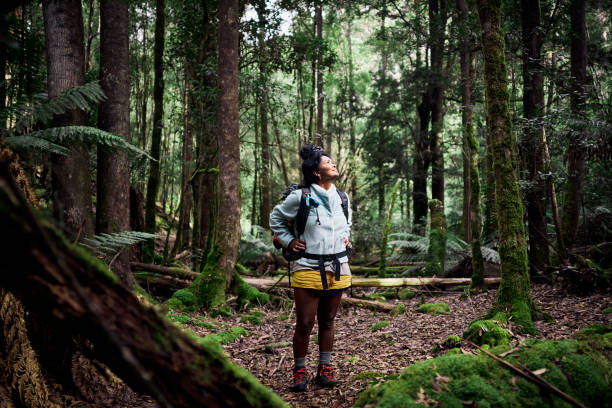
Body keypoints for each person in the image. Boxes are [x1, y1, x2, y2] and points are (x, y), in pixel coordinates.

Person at [269, 144, 353, 392]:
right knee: (305, 323)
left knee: (328, 321)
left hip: (338, 266)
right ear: (316, 172)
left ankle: (325, 369)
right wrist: (289, 240)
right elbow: (275, 218)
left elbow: (346, 225)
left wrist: (346, 239)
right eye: (327, 162)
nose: (333, 164)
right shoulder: (300, 196)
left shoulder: (342, 198)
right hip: (307, 266)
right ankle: (299, 371)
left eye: (332, 161)